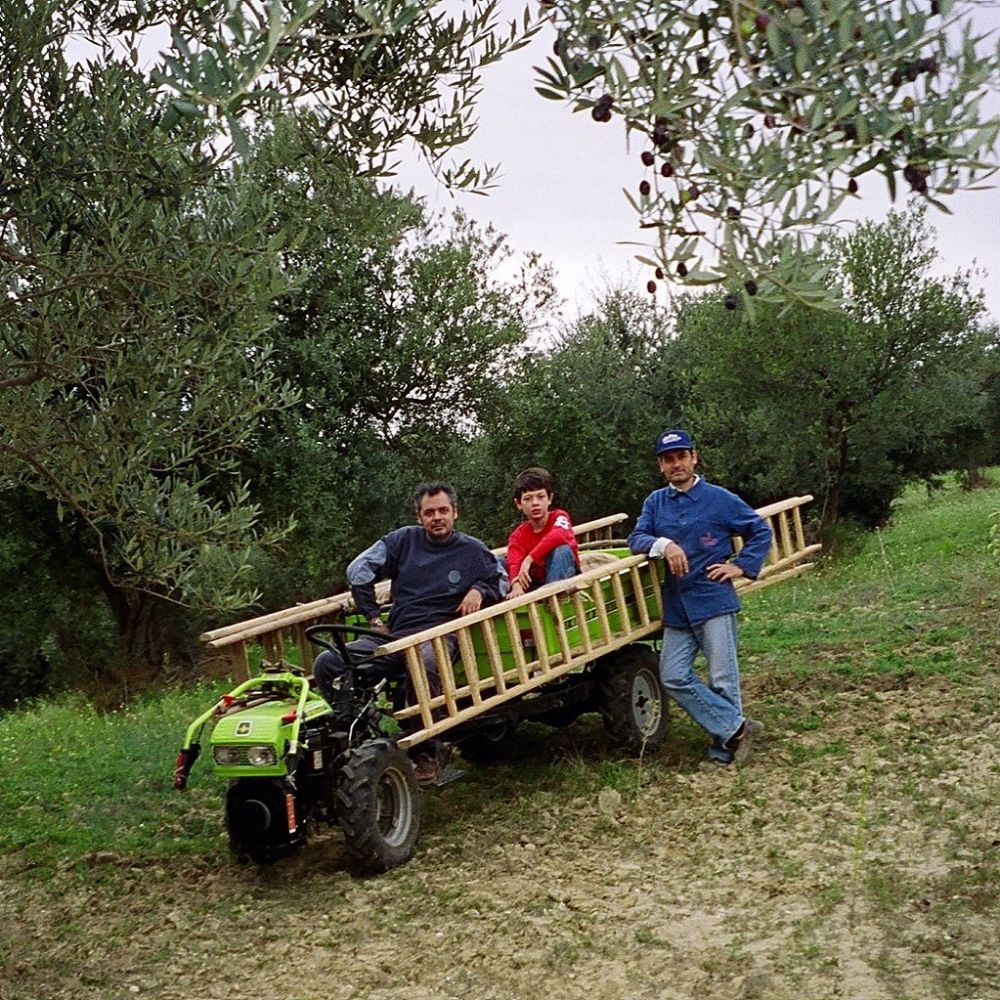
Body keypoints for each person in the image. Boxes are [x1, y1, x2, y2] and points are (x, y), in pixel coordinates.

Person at [312, 481, 506, 784]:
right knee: (328, 662)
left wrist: (480, 590)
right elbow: (357, 571)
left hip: (441, 633)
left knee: (425, 659)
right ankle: (352, 737)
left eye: (443, 510)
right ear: (419, 517)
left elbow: (502, 579)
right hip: (395, 635)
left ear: (455, 512)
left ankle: (428, 750)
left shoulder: (472, 550)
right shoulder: (403, 541)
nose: (437, 517)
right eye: (429, 512)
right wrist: (374, 618)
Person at [628, 429, 772, 766]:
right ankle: (738, 728)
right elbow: (636, 537)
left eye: (681, 456)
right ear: (661, 466)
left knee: (722, 678)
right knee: (673, 675)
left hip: (713, 599)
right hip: (677, 606)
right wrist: (664, 545)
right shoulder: (655, 502)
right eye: (668, 459)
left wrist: (741, 567)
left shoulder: (720, 499)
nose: (676, 464)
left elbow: (759, 530)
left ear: (694, 457)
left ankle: (726, 748)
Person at [505, 467, 581, 599]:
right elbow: (514, 560)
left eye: (540, 497)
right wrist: (516, 584)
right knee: (498, 562)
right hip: (537, 581)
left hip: (564, 574)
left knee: (562, 550)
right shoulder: (518, 535)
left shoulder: (560, 517)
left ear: (549, 498)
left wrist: (529, 559)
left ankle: (551, 597)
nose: (535, 503)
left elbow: (559, 536)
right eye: (527, 499)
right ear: (519, 504)